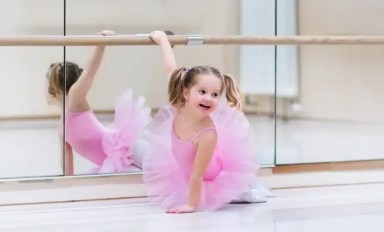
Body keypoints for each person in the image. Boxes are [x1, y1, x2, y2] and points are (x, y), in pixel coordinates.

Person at [141, 31, 270, 213]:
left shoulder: (208, 134)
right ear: (186, 93)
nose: (209, 98)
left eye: (215, 94)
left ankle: (250, 185)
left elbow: (197, 175)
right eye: (202, 92)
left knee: (243, 194)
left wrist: (191, 205)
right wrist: (163, 40)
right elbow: (171, 70)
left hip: (210, 177)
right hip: (190, 169)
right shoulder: (178, 107)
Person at [45, 30, 151, 175]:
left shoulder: (74, 100)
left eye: (45, 84)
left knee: (165, 168)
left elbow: (90, 70)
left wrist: (102, 42)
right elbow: (67, 168)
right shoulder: (61, 129)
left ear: (55, 88)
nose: (43, 90)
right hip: (113, 164)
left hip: (125, 148)